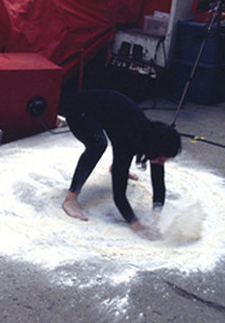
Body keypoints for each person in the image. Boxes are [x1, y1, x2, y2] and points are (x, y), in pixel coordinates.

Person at [61, 89, 181, 240]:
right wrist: (136, 225)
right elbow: (119, 196)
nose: (161, 163)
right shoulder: (128, 141)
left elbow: (158, 183)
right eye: (162, 159)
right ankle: (70, 199)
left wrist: (155, 217)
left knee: (119, 152)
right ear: (154, 150)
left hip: (107, 111)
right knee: (98, 144)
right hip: (78, 109)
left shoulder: (152, 138)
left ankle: (116, 167)